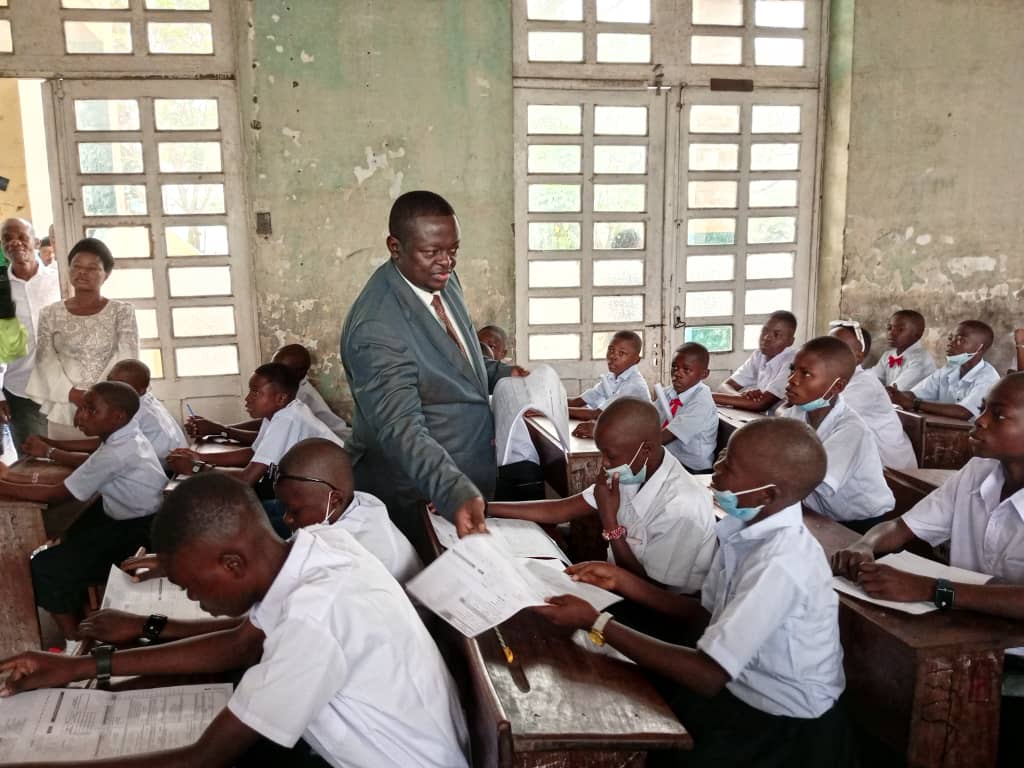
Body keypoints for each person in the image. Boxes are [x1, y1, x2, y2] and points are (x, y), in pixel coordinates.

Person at [0, 473, 471, 768]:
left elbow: (203, 759)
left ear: (232, 564)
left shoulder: (315, 617)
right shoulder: (321, 547)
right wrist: (81, 667)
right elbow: (240, 644)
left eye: (191, 586)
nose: (192, 598)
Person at [537, 418, 854, 768]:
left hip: (782, 724)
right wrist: (623, 581)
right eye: (723, 455)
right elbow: (704, 614)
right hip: (737, 688)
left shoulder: (780, 564)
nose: (717, 468)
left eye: (730, 467)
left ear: (767, 494)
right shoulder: (743, 528)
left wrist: (596, 622)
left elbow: (707, 674)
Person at [832, 372, 1024, 765]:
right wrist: (865, 545)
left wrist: (932, 589)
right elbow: (901, 527)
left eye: (998, 414)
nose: (979, 420)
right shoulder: (977, 472)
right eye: (983, 408)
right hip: (963, 637)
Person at [77, 437, 421, 646]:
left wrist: (148, 626)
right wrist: (181, 565)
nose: (288, 520)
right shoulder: (357, 506)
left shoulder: (351, 549)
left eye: (294, 510)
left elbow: (250, 636)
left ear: (335, 497)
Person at [341, 190, 525, 544]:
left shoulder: (441, 281)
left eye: (453, 250)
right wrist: (451, 489)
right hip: (420, 494)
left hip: (464, 478)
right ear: (395, 247)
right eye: (432, 252)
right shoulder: (377, 327)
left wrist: (502, 373)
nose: (447, 262)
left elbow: (455, 357)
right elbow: (400, 428)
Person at [489, 398, 716, 594]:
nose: (604, 463)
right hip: (618, 585)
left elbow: (652, 591)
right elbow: (560, 509)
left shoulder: (682, 504)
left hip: (656, 610)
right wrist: (487, 508)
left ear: (646, 449)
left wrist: (610, 520)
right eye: (602, 453)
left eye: (611, 456)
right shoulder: (631, 470)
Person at [0, 381, 165, 641]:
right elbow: (91, 464)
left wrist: (4, 483)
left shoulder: (117, 451)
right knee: (76, 531)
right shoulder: (126, 435)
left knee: (46, 566)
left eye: (91, 410)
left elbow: (57, 493)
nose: (80, 416)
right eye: (82, 408)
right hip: (144, 520)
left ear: (118, 416)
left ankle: (74, 640)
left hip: (139, 534)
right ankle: (85, 611)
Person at [26, 237, 139, 439]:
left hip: (109, 410)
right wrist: (74, 395)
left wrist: (97, 399)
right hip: (65, 406)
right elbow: (45, 360)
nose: (82, 272)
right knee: (62, 456)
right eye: (76, 266)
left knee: (111, 455)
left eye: (92, 268)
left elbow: (127, 359)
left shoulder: (122, 312)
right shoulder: (50, 314)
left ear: (106, 274)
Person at [779, 336, 894, 527]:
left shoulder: (851, 429)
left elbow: (814, 479)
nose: (793, 380)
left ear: (837, 387)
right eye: (793, 369)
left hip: (862, 523)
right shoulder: (795, 413)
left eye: (806, 374)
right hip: (822, 513)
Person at [167, 363, 342, 487]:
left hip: (331, 491)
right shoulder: (279, 412)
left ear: (280, 398)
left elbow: (247, 478)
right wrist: (199, 457)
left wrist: (196, 468)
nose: (247, 398)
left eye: (255, 392)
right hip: (317, 486)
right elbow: (254, 453)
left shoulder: (288, 418)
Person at [20, 359, 188, 470]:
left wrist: (50, 448)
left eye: (122, 384)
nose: (114, 388)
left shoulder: (134, 410)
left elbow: (101, 452)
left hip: (168, 467)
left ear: (142, 389)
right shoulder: (144, 398)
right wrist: (52, 444)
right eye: (110, 380)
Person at [0, 218, 61, 448]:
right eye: (7, 238)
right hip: (21, 391)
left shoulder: (58, 281)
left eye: (22, 237)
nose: (14, 243)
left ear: (35, 242)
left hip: (64, 388)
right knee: (33, 459)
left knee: (73, 454)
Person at [829, 320, 917, 469]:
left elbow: (826, 415)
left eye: (837, 348)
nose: (826, 352)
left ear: (858, 357)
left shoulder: (864, 385)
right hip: (864, 460)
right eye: (825, 345)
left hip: (892, 470)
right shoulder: (836, 379)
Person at [888, 320, 1000, 422]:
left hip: (971, 434)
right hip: (945, 429)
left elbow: (964, 412)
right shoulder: (948, 370)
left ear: (980, 348)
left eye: (960, 340)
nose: (950, 343)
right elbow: (914, 394)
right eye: (951, 338)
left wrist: (914, 404)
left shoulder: (988, 378)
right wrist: (895, 395)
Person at [568, 330, 650, 439]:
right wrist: (549, 404)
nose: (612, 356)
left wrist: (556, 411)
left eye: (621, 353)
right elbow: (577, 402)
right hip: (618, 431)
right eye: (611, 350)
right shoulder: (611, 378)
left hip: (636, 438)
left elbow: (597, 414)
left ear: (636, 360)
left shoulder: (634, 385)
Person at [712, 310, 797, 413]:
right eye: (764, 331)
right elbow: (724, 386)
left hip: (783, 420)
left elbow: (761, 404)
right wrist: (741, 397)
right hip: (761, 417)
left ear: (790, 341)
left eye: (776, 334)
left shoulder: (793, 361)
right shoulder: (759, 355)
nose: (766, 337)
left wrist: (708, 396)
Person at [272, 343, 350, 443]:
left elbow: (279, 430)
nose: (273, 374)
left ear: (300, 373)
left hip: (337, 442)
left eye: (281, 370)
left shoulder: (300, 396)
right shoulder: (290, 387)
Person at [659, 342, 717, 473]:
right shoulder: (669, 392)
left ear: (704, 374)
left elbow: (666, 436)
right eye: (674, 367)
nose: (677, 374)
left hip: (692, 468)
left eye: (686, 370)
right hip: (671, 459)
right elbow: (650, 416)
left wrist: (634, 446)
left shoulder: (702, 402)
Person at [871, 309, 936, 390]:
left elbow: (894, 391)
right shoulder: (887, 355)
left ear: (917, 334)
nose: (891, 333)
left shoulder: (921, 360)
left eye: (900, 329)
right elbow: (872, 379)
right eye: (889, 328)